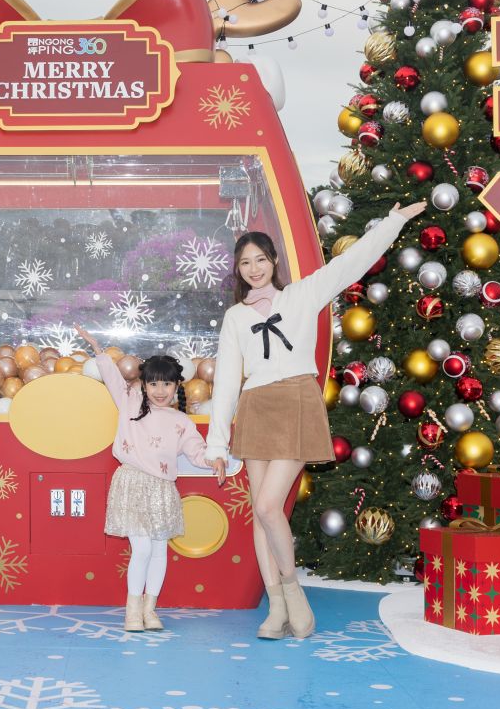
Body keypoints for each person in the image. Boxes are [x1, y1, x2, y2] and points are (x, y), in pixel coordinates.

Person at [205, 200, 428, 639]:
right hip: (255, 407)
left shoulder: (302, 295)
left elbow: (352, 262)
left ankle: (293, 593)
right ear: (238, 270)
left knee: (268, 506)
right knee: (261, 514)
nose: (254, 269)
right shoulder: (235, 316)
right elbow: (226, 381)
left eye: (260, 260)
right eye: (245, 263)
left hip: (296, 403)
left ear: (273, 261)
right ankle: (276, 608)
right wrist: (215, 444)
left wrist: (393, 222)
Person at [76, 325, 225, 632]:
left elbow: (197, 451)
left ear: (176, 386)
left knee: (159, 550)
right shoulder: (130, 403)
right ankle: (132, 610)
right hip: (131, 483)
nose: (160, 390)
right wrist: (98, 350)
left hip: (161, 490)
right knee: (142, 549)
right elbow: (113, 378)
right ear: (143, 385)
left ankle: (150, 609)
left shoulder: (181, 421)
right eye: (153, 383)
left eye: (167, 384)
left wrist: (215, 459)